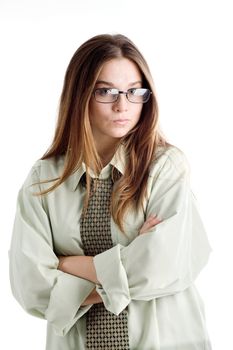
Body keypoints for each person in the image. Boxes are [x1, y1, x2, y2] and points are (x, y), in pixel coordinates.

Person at [9, 33, 212, 350]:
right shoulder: (44, 180)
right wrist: (127, 265)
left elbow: (162, 266)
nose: (123, 105)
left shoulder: (165, 168)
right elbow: (31, 287)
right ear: (80, 96)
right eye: (106, 91)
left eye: (134, 92)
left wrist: (67, 266)